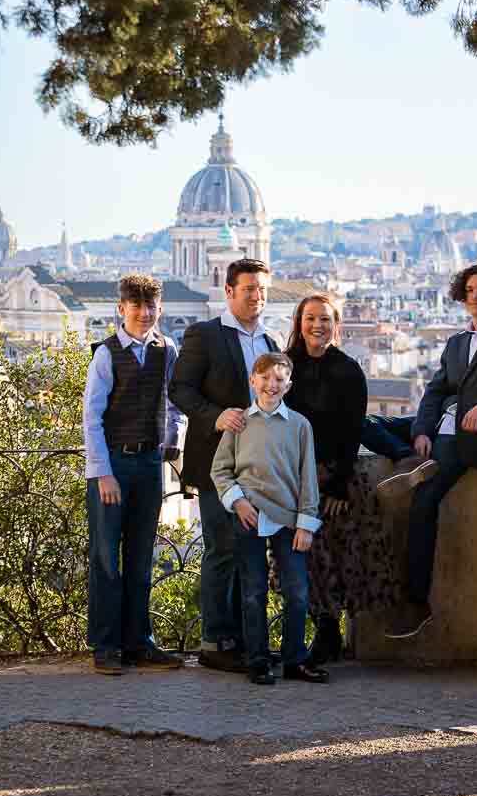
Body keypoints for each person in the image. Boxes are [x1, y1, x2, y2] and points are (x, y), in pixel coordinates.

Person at [385, 260, 477, 640]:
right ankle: (415, 453)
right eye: (469, 290)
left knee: (424, 502)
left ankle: (416, 602)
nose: (475, 297)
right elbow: (436, 389)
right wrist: (420, 428)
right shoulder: (456, 343)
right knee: (371, 425)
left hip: (469, 437)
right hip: (441, 425)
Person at [168, 258, 279, 672]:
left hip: (258, 467)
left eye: (263, 290)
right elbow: (179, 387)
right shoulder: (204, 335)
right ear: (229, 291)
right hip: (217, 462)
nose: (257, 296)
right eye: (250, 289)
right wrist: (214, 415)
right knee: (221, 548)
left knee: (248, 551)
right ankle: (215, 640)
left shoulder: (271, 341)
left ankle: (243, 639)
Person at [284, 294, 399, 665]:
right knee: (309, 558)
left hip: (338, 481)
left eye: (324, 319)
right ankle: (322, 629)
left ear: (337, 325)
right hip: (297, 480)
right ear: (299, 323)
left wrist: (336, 483)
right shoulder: (286, 367)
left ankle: (329, 632)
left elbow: (353, 431)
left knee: (339, 555)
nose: (317, 326)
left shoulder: (349, 370)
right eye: (310, 318)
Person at [82, 273, 185, 675]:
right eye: (136, 306)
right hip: (112, 464)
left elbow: (174, 403)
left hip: (148, 463)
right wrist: (102, 473)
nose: (144, 313)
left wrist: (171, 441)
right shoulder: (106, 354)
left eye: (150, 306)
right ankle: (106, 646)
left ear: (159, 309)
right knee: (107, 556)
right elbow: (91, 417)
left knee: (142, 557)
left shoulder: (167, 349)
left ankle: (139, 642)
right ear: (121, 309)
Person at [211, 352, 327, 686]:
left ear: (288, 386)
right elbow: (220, 470)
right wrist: (238, 502)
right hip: (248, 515)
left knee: (297, 591)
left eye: (279, 379)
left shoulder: (300, 426)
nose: (271, 384)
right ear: (253, 380)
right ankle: (258, 659)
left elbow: (308, 478)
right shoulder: (240, 423)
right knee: (253, 591)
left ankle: (294, 658)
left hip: (289, 520)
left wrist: (306, 522)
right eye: (265, 377)